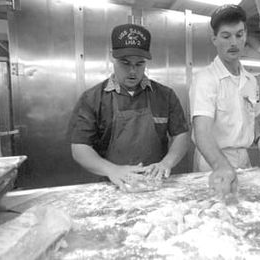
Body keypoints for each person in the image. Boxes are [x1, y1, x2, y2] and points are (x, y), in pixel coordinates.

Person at [68, 24, 189, 190]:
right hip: (113, 186)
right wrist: (112, 170)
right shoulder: (92, 98)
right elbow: (79, 147)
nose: (132, 71)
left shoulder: (164, 95)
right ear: (112, 58)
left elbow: (181, 134)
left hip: (156, 185)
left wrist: (166, 163)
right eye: (125, 63)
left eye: (139, 64)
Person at [189, 5, 260, 198]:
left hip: (243, 159)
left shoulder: (250, 80)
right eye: (226, 36)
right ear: (214, 39)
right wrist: (221, 166)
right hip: (213, 162)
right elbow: (201, 131)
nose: (234, 42)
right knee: (215, 214)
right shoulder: (206, 79)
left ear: (245, 35)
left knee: (242, 213)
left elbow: (253, 119)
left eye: (239, 35)